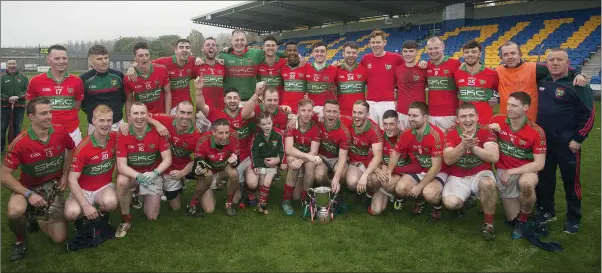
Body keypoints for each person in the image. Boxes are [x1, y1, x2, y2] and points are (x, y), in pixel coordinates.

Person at [1, 97, 75, 262]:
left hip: (52, 187)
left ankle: (34, 216)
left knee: (59, 238)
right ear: (31, 117)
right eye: (43, 113)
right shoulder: (20, 142)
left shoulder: (60, 132)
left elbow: (71, 149)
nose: (49, 116)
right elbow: (4, 175)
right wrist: (29, 194)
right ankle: (20, 239)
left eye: (50, 112)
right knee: (14, 212)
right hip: (28, 188)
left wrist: (64, 174)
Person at [535, 48, 595, 234]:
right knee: (545, 181)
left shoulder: (578, 85)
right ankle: (547, 211)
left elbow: (589, 114)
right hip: (544, 143)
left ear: (567, 62)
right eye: (551, 59)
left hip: (568, 143)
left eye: (559, 59)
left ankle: (573, 217)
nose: (555, 63)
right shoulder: (541, 79)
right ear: (546, 62)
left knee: (571, 182)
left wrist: (578, 139)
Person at [488, 92, 546, 239]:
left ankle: (524, 219)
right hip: (503, 170)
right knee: (511, 218)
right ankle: (525, 211)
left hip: (525, 170)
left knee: (526, 184)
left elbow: (539, 164)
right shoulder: (497, 121)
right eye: (508, 104)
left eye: (514, 105)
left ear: (526, 107)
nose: (509, 108)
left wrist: (512, 172)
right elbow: (481, 134)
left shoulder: (536, 131)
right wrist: (490, 129)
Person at [114, 102, 172, 238]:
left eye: (142, 113)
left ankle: (137, 194)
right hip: (133, 175)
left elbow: (167, 159)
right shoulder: (123, 133)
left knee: (151, 216)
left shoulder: (158, 131)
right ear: (129, 116)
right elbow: (121, 166)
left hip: (152, 174)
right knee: (122, 181)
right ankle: (126, 218)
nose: (139, 117)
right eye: (135, 113)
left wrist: (155, 173)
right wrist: (138, 176)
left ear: (148, 115)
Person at [442, 103, 499, 240]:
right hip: (458, 175)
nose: (468, 120)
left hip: (480, 173)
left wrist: (473, 147)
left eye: (471, 115)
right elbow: (448, 160)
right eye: (463, 116)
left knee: (488, 184)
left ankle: (488, 224)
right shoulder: (450, 132)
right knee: (450, 204)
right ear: (457, 119)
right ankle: (467, 201)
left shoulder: (486, 130)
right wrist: (463, 146)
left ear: (477, 117)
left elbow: (494, 157)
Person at [195, 79, 255, 207]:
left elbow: (259, 108)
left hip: (244, 157)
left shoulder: (246, 113)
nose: (232, 100)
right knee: (234, 197)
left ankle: (246, 187)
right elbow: (201, 105)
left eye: (235, 98)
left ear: (239, 100)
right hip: (224, 159)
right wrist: (199, 90)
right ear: (224, 100)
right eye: (229, 98)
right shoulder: (217, 114)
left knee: (253, 183)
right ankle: (218, 182)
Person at [495, 41, 587, 121]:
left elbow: (558, 68)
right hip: (506, 121)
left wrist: (578, 74)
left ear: (520, 54)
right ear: (501, 58)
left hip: (530, 122)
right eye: (506, 54)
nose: (510, 57)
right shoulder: (497, 72)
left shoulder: (534, 68)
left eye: (513, 53)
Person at [64, 104, 118, 236]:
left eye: (109, 120)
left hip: (103, 187)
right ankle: (82, 219)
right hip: (83, 189)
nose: (105, 124)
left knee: (111, 203)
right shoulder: (83, 148)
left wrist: (127, 126)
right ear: (93, 121)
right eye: (101, 120)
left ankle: (102, 216)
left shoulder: (116, 137)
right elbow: (72, 179)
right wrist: (85, 205)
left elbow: (136, 129)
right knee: (71, 213)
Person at [393, 101, 447, 223]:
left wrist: (419, 187)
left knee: (429, 194)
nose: (411, 119)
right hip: (421, 169)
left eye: (415, 116)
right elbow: (395, 153)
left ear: (426, 117)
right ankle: (420, 202)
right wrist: (389, 171)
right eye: (409, 115)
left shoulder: (436, 135)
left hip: (439, 171)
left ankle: (437, 207)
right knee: (400, 188)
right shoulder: (407, 132)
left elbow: (436, 167)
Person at [146, 101, 201, 211]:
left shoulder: (197, 135)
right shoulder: (166, 120)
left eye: (189, 113)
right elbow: (144, 116)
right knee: (176, 208)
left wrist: (182, 173)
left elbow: (198, 159)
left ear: (193, 114)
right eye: (182, 112)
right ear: (175, 112)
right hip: (166, 168)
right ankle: (171, 187)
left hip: (183, 167)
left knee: (204, 172)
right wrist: (157, 124)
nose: (185, 116)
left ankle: (183, 182)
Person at [26, 44, 85, 145]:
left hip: (72, 130)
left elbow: (77, 105)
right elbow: (30, 106)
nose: (61, 61)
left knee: (72, 160)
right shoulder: (36, 81)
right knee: (48, 160)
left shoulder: (77, 81)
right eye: (57, 58)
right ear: (49, 60)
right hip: (45, 132)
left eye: (64, 58)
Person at [370, 110, 421, 215]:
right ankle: (386, 194)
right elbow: (369, 157)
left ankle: (399, 196)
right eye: (385, 124)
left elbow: (417, 166)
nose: (388, 128)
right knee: (376, 210)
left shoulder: (407, 137)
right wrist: (377, 169)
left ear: (398, 123)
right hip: (386, 176)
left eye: (392, 124)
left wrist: (395, 170)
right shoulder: (380, 136)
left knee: (395, 185)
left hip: (402, 175)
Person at [188, 118, 240, 216]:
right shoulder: (203, 141)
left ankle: (228, 204)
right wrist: (199, 171)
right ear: (213, 132)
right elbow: (197, 165)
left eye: (227, 133)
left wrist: (235, 162)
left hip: (222, 169)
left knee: (234, 173)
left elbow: (237, 160)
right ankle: (192, 204)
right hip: (208, 173)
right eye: (221, 133)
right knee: (209, 209)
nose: (225, 136)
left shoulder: (234, 136)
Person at [282, 98, 322, 216]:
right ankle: (286, 200)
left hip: (306, 158)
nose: (306, 113)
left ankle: (306, 200)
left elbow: (314, 152)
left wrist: (302, 159)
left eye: (309, 110)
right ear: (298, 112)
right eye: (303, 110)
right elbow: (289, 149)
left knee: (310, 165)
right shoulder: (291, 125)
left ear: (312, 112)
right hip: (296, 157)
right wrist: (301, 158)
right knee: (291, 160)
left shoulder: (315, 128)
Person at [360, 29, 403, 127]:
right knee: (373, 132)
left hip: (388, 103)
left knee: (389, 132)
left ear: (384, 42)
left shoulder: (396, 58)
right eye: (373, 42)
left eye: (378, 42)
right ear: (369, 44)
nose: (375, 45)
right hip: (371, 103)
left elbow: (407, 69)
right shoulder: (365, 59)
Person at [80, 45, 126, 135]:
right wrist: (97, 115)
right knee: (97, 149)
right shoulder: (84, 79)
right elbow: (82, 104)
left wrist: (114, 111)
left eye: (106, 58)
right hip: (95, 126)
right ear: (91, 61)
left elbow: (123, 98)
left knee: (120, 149)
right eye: (99, 59)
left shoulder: (119, 76)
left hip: (117, 124)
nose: (104, 61)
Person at [344, 100, 383, 205]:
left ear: (368, 115)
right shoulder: (347, 122)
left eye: (360, 113)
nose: (356, 116)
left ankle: (369, 193)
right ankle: (358, 192)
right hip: (355, 161)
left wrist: (365, 175)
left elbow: (378, 157)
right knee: (352, 183)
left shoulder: (374, 130)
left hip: (371, 162)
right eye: (354, 112)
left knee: (375, 179)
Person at [453, 40, 499, 124]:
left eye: (474, 52)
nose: (470, 54)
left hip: (485, 122)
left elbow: (500, 91)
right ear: (463, 55)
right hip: (463, 123)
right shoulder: (457, 74)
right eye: (467, 52)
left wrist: (497, 98)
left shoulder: (492, 74)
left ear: (480, 54)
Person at [250, 112, 285, 214]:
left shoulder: (278, 135)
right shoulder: (257, 136)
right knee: (261, 182)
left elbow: (282, 150)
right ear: (259, 125)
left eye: (269, 123)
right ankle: (261, 202)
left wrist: (280, 161)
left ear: (272, 122)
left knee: (267, 182)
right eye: (264, 124)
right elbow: (254, 150)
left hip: (272, 163)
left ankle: (262, 204)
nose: (267, 126)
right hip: (261, 162)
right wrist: (256, 164)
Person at [314, 100, 351, 195]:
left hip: (337, 158)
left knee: (341, 173)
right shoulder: (317, 121)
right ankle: (329, 191)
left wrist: (337, 177)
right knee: (319, 176)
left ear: (339, 113)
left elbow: (342, 158)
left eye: (334, 112)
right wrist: (293, 119)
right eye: (328, 111)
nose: (331, 114)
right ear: (323, 111)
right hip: (323, 157)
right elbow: (302, 115)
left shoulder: (344, 131)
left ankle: (339, 193)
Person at [424, 36, 462, 132]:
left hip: (450, 114)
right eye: (430, 49)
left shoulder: (455, 64)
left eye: (436, 48)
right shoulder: (426, 66)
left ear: (443, 47)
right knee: (434, 143)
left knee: (450, 144)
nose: (433, 51)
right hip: (431, 114)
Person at [123, 42, 171, 115]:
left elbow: (167, 93)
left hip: (160, 114)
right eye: (141, 56)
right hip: (141, 117)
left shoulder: (162, 69)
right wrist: (130, 121)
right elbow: (129, 101)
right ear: (135, 57)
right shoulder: (128, 77)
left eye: (147, 55)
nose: (144, 58)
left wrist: (167, 114)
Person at [394, 40, 427, 131]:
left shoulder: (424, 69)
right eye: (405, 51)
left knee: (419, 139)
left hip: (418, 112)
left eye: (411, 51)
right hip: (401, 111)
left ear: (417, 52)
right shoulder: (397, 69)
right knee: (403, 139)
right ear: (402, 53)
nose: (408, 54)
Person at [1, 59, 28, 152]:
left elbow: (28, 91)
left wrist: (18, 97)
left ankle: (16, 149)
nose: (12, 65)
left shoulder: (24, 77)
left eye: (13, 64)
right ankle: (1, 148)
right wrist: (8, 98)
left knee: (17, 129)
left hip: (19, 107)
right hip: (4, 107)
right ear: (7, 65)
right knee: (2, 128)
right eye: (9, 64)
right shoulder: (2, 77)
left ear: (16, 65)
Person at [305, 41, 337, 113]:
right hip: (310, 109)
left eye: (322, 51)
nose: (319, 54)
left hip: (327, 110)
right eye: (317, 51)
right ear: (313, 53)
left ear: (326, 53)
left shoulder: (334, 69)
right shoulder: (305, 68)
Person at [336, 41, 366, 116]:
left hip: (360, 114)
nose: (351, 55)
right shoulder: (336, 69)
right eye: (348, 52)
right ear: (343, 54)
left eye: (354, 53)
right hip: (341, 114)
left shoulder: (364, 69)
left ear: (357, 54)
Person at [281, 41, 308, 113]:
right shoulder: (282, 67)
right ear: (285, 52)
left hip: (301, 109)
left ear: (298, 52)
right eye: (289, 50)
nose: (292, 53)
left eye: (294, 50)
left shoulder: (306, 66)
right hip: (285, 108)